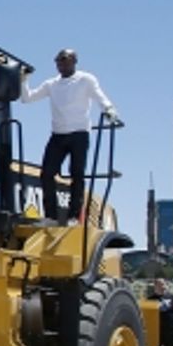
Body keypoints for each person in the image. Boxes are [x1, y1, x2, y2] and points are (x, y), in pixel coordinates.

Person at [19, 49, 117, 224]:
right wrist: (24, 79)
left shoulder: (85, 79)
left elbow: (99, 96)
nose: (61, 64)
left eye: (65, 60)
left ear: (74, 61)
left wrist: (109, 109)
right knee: (47, 173)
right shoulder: (52, 84)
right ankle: (51, 216)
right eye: (58, 61)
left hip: (79, 133)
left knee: (77, 174)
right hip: (58, 135)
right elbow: (27, 98)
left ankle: (74, 216)